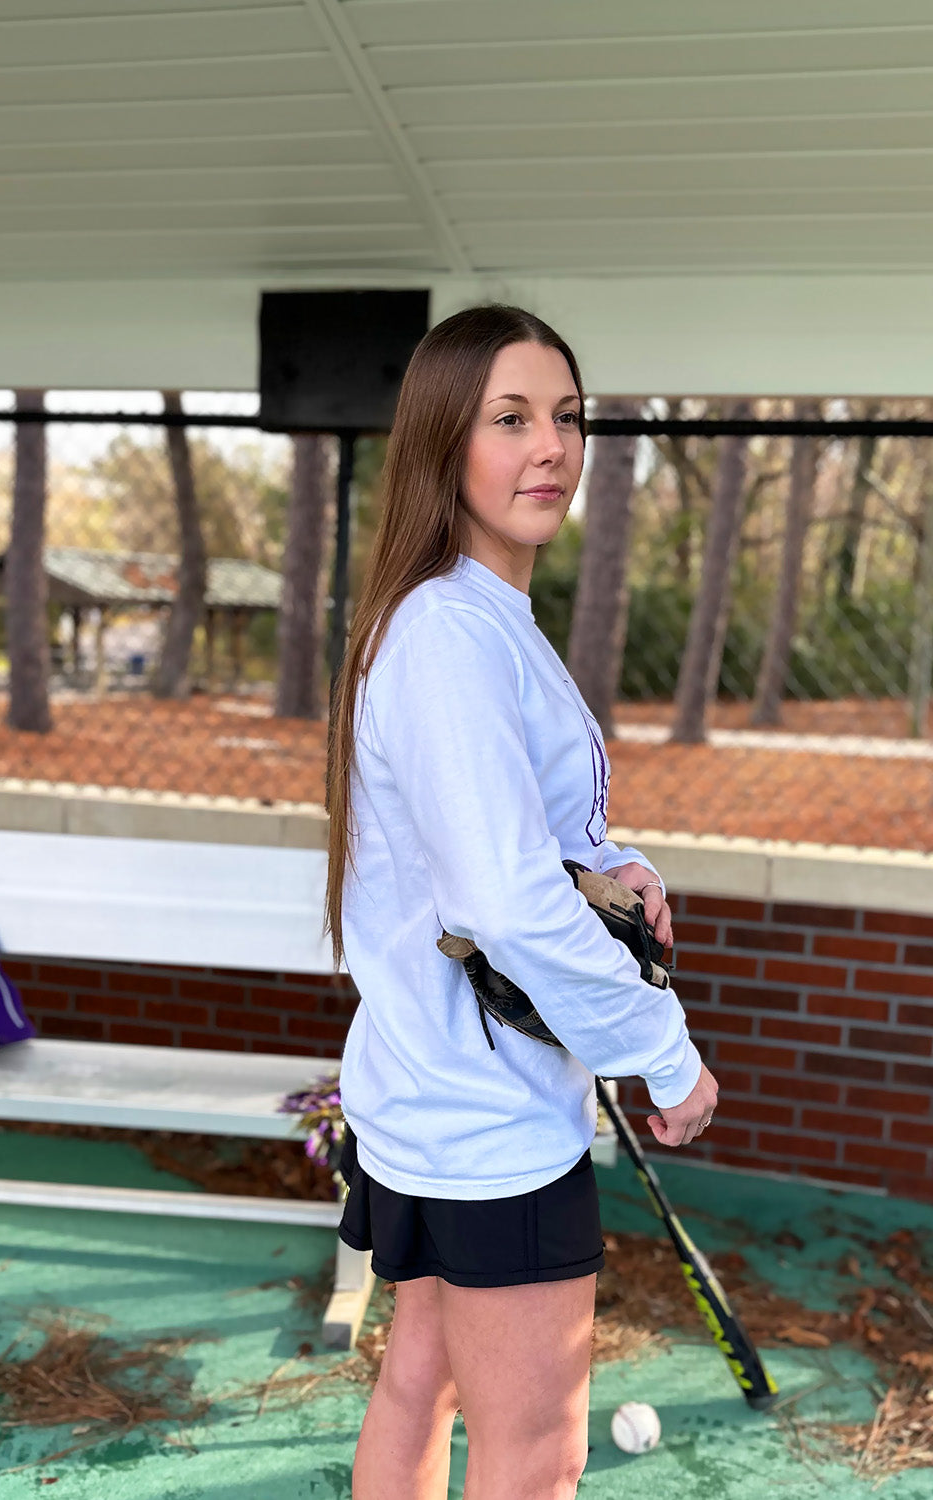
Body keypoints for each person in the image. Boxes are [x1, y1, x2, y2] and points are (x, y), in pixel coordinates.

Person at [324, 304, 718, 1500]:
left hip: (429, 1096)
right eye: (509, 419)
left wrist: (617, 865)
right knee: (536, 1453)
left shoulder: (471, 618)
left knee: (422, 1381)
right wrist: (662, 1051)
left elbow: (516, 846)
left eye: (566, 417)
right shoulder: (449, 631)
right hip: (482, 1122)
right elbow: (501, 899)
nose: (549, 446)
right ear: (446, 442)